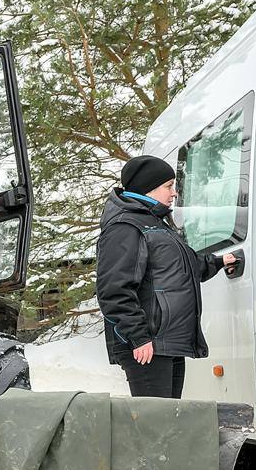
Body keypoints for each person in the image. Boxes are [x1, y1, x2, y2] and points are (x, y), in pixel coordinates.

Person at [96, 155, 237, 398]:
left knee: (169, 422)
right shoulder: (126, 227)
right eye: (168, 186)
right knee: (155, 429)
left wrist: (219, 261)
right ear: (147, 188)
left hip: (167, 342)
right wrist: (138, 337)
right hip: (148, 345)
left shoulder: (156, 224)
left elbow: (182, 268)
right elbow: (113, 290)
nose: (174, 193)